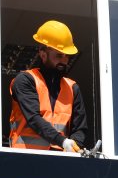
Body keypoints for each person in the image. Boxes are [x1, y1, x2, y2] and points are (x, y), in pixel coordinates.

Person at [9, 20, 89, 153]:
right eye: (59, 55)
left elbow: (80, 129)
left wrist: (74, 147)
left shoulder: (72, 88)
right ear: (43, 54)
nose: (64, 60)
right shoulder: (25, 80)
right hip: (25, 159)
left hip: (59, 162)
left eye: (67, 56)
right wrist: (63, 141)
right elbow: (34, 119)